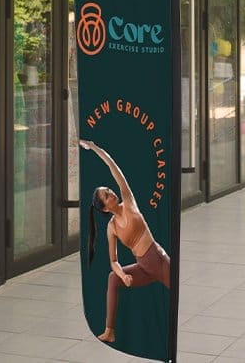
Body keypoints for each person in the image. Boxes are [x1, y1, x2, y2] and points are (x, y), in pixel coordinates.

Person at [80, 139, 170, 344]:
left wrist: (94, 147)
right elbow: (113, 261)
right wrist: (123, 275)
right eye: (107, 195)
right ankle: (109, 331)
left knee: (179, 295)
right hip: (144, 267)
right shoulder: (111, 227)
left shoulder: (128, 201)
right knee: (113, 277)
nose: (111, 193)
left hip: (157, 259)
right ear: (104, 207)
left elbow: (113, 166)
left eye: (109, 191)